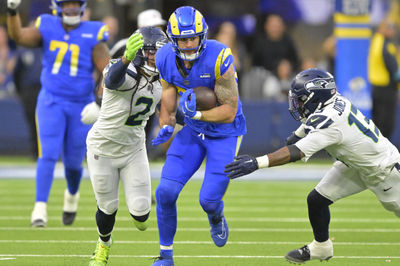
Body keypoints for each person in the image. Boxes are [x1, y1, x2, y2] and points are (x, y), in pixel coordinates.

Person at [224, 68, 400, 264]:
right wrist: (299, 134)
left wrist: (256, 162)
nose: (297, 104)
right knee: (317, 200)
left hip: (385, 172)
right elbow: (314, 119)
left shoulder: (330, 122)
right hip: (355, 165)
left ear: (316, 97)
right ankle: (321, 248)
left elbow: (296, 152)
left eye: (301, 99)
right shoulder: (333, 101)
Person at [151, 6, 247, 265]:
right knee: (165, 192)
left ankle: (216, 215)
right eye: (183, 39)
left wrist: (196, 116)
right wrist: (166, 122)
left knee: (208, 200)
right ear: (173, 40)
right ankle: (165, 256)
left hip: (225, 132)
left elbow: (229, 110)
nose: (189, 43)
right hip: (193, 130)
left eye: (193, 37)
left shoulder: (219, 56)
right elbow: (169, 89)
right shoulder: (164, 57)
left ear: (202, 35)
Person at [6, 0, 110, 227]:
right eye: (67, 5)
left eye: (75, 5)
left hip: (80, 104)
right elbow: (19, 36)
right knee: (48, 153)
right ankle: (39, 208)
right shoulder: (47, 25)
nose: (71, 9)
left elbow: (108, 71)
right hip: (51, 100)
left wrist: (100, 102)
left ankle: (72, 196)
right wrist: (12, 11)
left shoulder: (93, 32)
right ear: (57, 7)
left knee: (73, 162)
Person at [86, 26, 168, 266]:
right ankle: (103, 246)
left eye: (159, 53)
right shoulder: (124, 69)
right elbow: (111, 80)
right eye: (151, 52)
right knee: (108, 208)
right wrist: (125, 58)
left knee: (142, 217)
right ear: (139, 51)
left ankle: (115, 233)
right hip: (103, 148)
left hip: (133, 149)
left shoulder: (162, 80)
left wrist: (186, 117)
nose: (154, 57)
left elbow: (172, 109)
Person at [368, 19, 400, 139]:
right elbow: (392, 67)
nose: (391, 31)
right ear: (382, 28)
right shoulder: (385, 44)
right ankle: (385, 152)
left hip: (377, 87)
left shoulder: (375, 41)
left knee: (378, 120)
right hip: (386, 87)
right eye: (389, 28)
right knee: (386, 123)